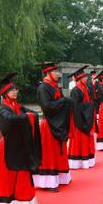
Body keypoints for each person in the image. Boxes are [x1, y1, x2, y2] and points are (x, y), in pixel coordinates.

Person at [0, 73, 41, 204]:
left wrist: (31, 115)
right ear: (5, 93)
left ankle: (23, 203)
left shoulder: (16, 105)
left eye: (16, 89)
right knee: (8, 177)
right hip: (8, 147)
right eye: (12, 90)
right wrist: (26, 117)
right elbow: (10, 121)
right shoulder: (3, 109)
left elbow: (30, 113)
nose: (16, 92)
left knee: (22, 174)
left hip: (18, 145)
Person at [32, 62, 72, 191]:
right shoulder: (43, 88)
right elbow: (47, 107)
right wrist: (63, 101)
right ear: (48, 74)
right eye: (55, 72)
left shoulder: (55, 87)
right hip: (49, 124)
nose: (58, 74)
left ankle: (59, 177)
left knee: (58, 151)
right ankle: (48, 182)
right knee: (49, 153)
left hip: (57, 122)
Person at [67, 65, 96, 169]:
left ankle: (87, 160)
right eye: (84, 77)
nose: (86, 78)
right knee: (79, 140)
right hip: (79, 119)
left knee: (87, 140)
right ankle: (77, 162)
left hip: (86, 117)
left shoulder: (86, 88)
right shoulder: (75, 90)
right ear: (79, 78)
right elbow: (75, 106)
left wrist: (90, 105)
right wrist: (89, 106)